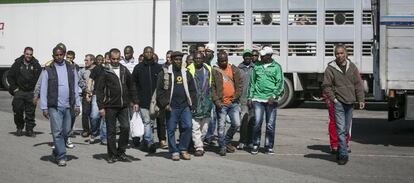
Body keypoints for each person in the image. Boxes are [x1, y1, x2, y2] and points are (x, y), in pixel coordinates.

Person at [322, 44, 365, 165]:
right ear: (334, 55)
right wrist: (334, 99)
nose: (339, 55)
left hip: (350, 102)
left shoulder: (352, 67)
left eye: (341, 53)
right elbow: (326, 85)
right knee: (340, 129)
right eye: (337, 53)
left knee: (346, 129)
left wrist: (361, 100)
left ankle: (341, 149)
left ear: (345, 53)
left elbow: (358, 84)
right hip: (339, 103)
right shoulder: (331, 68)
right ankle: (343, 155)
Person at [40, 46, 81, 166]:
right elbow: (44, 89)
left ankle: (56, 150)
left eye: (61, 55)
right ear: (53, 56)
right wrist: (44, 107)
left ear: (64, 54)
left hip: (69, 105)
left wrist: (77, 104)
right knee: (57, 131)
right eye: (56, 55)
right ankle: (62, 156)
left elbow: (75, 87)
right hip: (54, 106)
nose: (59, 57)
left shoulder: (71, 68)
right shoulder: (48, 69)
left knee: (67, 131)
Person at [96, 48, 139, 163]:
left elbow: (131, 86)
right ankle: (112, 155)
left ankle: (121, 152)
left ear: (120, 58)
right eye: (113, 59)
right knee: (111, 131)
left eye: (117, 58)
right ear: (109, 59)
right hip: (110, 106)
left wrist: (135, 102)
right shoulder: (105, 72)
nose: (115, 61)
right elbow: (99, 90)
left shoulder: (124, 70)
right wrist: (101, 107)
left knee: (125, 128)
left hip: (124, 105)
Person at [156, 51, 197, 161]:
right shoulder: (165, 73)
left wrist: (193, 104)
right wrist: (165, 104)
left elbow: (193, 90)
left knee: (188, 126)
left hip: (185, 106)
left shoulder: (186, 73)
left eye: (180, 59)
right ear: (172, 60)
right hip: (171, 106)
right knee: (171, 129)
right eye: (176, 59)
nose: (178, 61)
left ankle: (183, 148)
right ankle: (174, 151)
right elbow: (159, 91)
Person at [247, 46, 284, 155]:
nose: (261, 57)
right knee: (257, 122)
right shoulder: (257, 66)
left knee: (270, 125)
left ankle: (268, 146)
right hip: (257, 99)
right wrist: (250, 97)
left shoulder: (277, 67)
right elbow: (252, 82)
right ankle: (255, 144)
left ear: (270, 56)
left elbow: (280, 84)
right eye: (261, 55)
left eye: (263, 55)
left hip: (271, 100)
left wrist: (274, 96)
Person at [211, 51, 243, 156]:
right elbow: (212, 88)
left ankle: (227, 140)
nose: (224, 62)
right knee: (221, 126)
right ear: (218, 61)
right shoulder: (215, 71)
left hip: (233, 103)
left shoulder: (234, 69)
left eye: (225, 60)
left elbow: (240, 85)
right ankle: (222, 146)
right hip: (221, 104)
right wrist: (216, 101)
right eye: (221, 61)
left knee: (237, 124)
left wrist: (236, 96)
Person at [131, 46, 163, 153]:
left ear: (153, 54)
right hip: (143, 100)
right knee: (147, 121)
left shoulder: (159, 68)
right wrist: (135, 100)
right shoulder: (138, 68)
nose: (149, 54)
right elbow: (133, 85)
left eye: (150, 52)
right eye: (146, 52)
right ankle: (149, 142)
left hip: (155, 101)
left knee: (151, 123)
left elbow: (162, 84)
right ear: (143, 54)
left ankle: (145, 141)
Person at [7, 47, 42, 137]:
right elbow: (10, 76)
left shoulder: (36, 64)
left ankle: (29, 130)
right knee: (17, 110)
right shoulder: (17, 63)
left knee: (30, 113)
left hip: (31, 92)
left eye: (30, 54)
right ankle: (19, 127)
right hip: (19, 92)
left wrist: (37, 93)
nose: (29, 56)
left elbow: (40, 79)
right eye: (27, 54)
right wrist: (14, 88)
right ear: (24, 53)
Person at [187, 52, 212, 156]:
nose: (198, 60)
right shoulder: (188, 70)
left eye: (200, 58)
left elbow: (212, 85)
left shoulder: (208, 69)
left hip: (206, 102)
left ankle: (198, 142)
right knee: (195, 126)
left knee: (205, 128)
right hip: (194, 101)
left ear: (203, 59)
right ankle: (199, 147)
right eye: (196, 58)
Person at [87, 52, 109, 144]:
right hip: (97, 95)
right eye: (107, 58)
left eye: (110, 58)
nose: (109, 60)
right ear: (104, 59)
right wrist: (88, 91)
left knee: (106, 117)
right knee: (94, 116)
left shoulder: (115, 69)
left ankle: (104, 137)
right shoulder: (98, 68)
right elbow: (91, 79)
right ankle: (93, 133)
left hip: (109, 96)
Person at [78, 54, 100, 143]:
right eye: (85, 60)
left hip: (96, 94)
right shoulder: (82, 71)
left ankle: (94, 130)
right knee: (85, 112)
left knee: (94, 114)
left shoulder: (98, 69)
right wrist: (85, 89)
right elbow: (79, 80)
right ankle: (86, 130)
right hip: (86, 94)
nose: (85, 62)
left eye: (87, 60)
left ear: (92, 61)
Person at [237, 49, 255, 150]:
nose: (247, 57)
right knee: (243, 122)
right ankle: (242, 141)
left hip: (253, 99)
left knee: (252, 121)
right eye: (245, 56)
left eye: (249, 56)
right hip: (243, 99)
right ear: (243, 57)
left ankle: (250, 141)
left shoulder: (255, 68)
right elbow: (237, 84)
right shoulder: (239, 68)